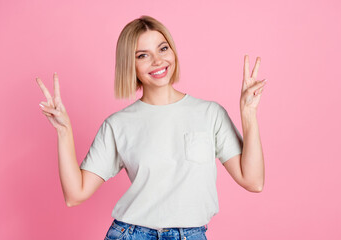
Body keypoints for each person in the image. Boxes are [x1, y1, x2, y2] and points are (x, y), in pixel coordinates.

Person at [36, 15, 266, 240]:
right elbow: (75, 195)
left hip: (192, 234)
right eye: (143, 55)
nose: (157, 61)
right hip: (132, 234)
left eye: (163, 49)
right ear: (130, 64)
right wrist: (63, 131)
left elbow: (253, 181)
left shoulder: (210, 114)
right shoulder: (118, 124)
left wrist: (248, 114)